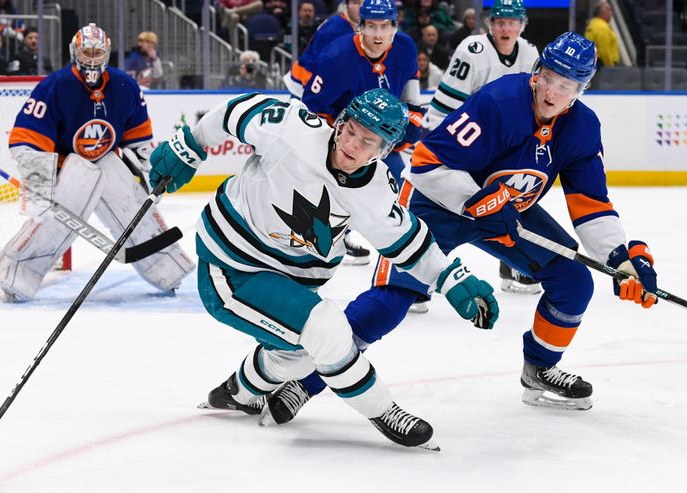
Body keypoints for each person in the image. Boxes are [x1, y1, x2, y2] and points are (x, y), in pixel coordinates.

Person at [265, 32, 660, 426]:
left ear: (582, 89)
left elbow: (591, 202)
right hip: (437, 206)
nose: (554, 92)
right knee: (390, 301)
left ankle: (539, 368)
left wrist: (618, 257)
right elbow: (425, 162)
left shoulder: (582, 129)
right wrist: (477, 205)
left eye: (568, 85)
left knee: (574, 281)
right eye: (551, 77)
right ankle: (305, 381)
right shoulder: (501, 103)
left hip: (504, 213)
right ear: (538, 72)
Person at [148, 88, 498, 449]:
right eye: (350, 129)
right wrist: (189, 144)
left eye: (367, 141)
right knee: (327, 328)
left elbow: (409, 242)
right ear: (341, 121)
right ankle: (383, 410)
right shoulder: (291, 128)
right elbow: (235, 111)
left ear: (383, 152)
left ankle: (237, 391)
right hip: (233, 267)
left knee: (299, 357)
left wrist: (452, 277)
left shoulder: (375, 190)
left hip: (290, 282)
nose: (351, 144)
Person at [0, 23, 194, 301]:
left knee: (133, 205)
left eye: (97, 52)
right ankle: (17, 274)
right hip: (66, 167)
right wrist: (39, 182)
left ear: (107, 53)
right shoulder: (55, 86)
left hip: (107, 160)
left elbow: (138, 141)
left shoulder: (125, 85)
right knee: (55, 220)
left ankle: (168, 268)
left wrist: (151, 174)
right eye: (86, 51)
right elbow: (29, 138)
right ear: (74, 51)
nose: (91, 58)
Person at [421, 0, 540, 295]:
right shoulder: (472, 51)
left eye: (512, 23)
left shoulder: (530, 53)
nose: (506, 28)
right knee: (445, 212)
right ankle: (415, 276)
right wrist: (439, 150)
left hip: (503, 148)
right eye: (500, 22)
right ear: (491, 24)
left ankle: (512, 266)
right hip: (462, 142)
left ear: (521, 25)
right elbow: (444, 107)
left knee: (517, 200)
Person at [302, 0, 424, 264]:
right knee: (336, 190)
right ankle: (331, 232)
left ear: (394, 27)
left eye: (384, 27)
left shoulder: (405, 48)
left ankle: (400, 257)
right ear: (360, 27)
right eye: (371, 27)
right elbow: (312, 108)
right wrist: (333, 142)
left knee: (398, 194)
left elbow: (411, 97)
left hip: (380, 139)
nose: (378, 35)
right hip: (345, 138)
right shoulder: (336, 56)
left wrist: (410, 128)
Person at [282, 0, 362, 99]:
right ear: (346, 6)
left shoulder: (351, 25)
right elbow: (321, 62)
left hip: (317, 81)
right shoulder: (335, 28)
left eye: (364, 3)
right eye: (356, 3)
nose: (361, 7)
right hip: (306, 80)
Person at [584, 1, 619, 68]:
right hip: (602, 64)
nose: (611, 13)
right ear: (603, 12)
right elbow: (604, 49)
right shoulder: (601, 27)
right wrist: (610, 66)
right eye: (609, 10)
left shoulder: (593, 24)